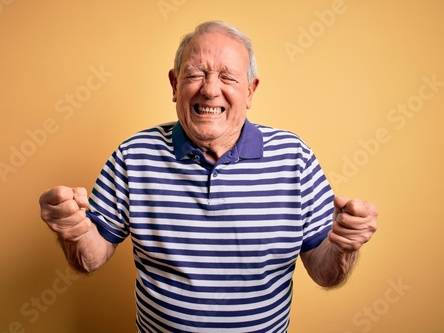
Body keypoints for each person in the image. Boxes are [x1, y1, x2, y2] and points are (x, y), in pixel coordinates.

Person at [39, 20, 378, 333]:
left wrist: (343, 246)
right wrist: (74, 231)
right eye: (195, 74)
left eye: (227, 77)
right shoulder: (134, 155)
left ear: (250, 91)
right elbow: (91, 257)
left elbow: (324, 271)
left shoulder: (294, 157)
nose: (210, 90)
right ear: (174, 85)